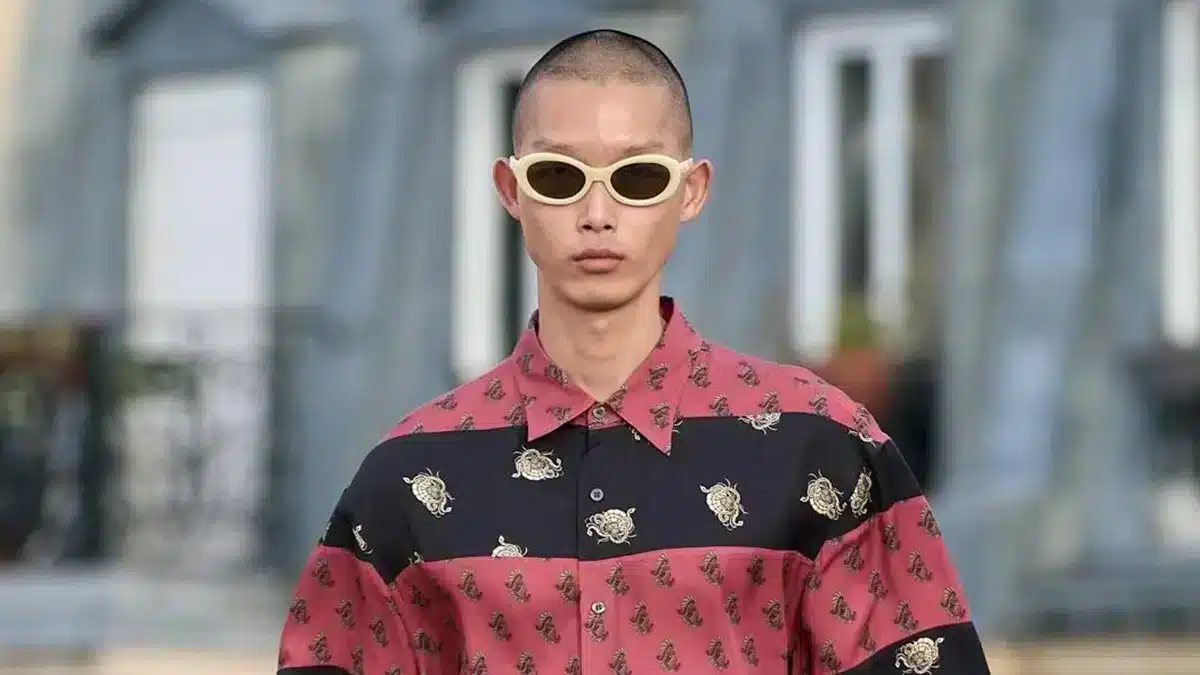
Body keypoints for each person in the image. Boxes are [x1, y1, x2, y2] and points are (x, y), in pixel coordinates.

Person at [276, 29, 991, 675]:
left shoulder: (820, 447)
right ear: (511, 190)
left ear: (692, 191)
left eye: (637, 176)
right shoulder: (408, 477)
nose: (597, 214)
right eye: (558, 176)